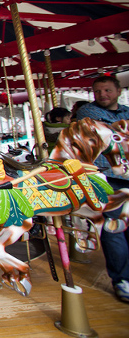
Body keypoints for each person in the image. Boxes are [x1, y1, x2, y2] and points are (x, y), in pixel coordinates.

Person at [77, 75, 129, 303]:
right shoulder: (89, 113)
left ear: (118, 90)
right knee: (114, 227)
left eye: (107, 90)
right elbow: (109, 136)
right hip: (107, 176)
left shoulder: (125, 111)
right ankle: (122, 279)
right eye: (98, 91)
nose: (102, 95)